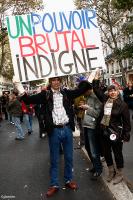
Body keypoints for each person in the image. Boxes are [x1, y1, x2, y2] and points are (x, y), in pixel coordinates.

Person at [13, 76, 92, 197]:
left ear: (61, 81)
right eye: (53, 80)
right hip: (54, 131)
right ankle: (54, 184)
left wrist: (92, 75)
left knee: (69, 158)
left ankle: (69, 180)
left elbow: (82, 89)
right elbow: (28, 100)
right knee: (54, 159)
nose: (56, 82)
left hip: (66, 129)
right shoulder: (45, 95)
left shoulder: (67, 93)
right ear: (50, 82)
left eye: (58, 80)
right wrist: (18, 84)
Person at [93, 70, 131, 184]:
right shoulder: (105, 100)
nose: (112, 92)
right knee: (106, 153)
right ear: (108, 93)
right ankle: (111, 171)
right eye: (110, 91)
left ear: (118, 92)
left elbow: (127, 123)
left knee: (117, 153)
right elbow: (96, 90)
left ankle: (119, 174)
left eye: (114, 90)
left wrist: (126, 135)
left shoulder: (123, 105)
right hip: (104, 131)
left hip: (115, 133)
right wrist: (96, 78)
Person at [79, 84, 103, 180]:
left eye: (84, 90)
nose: (82, 93)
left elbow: (97, 113)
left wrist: (87, 108)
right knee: (88, 148)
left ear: (88, 89)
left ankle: (98, 169)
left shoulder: (95, 97)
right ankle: (95, 166)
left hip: (92, 126)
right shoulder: (86, 96)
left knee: (93, 150)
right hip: (85, 124)